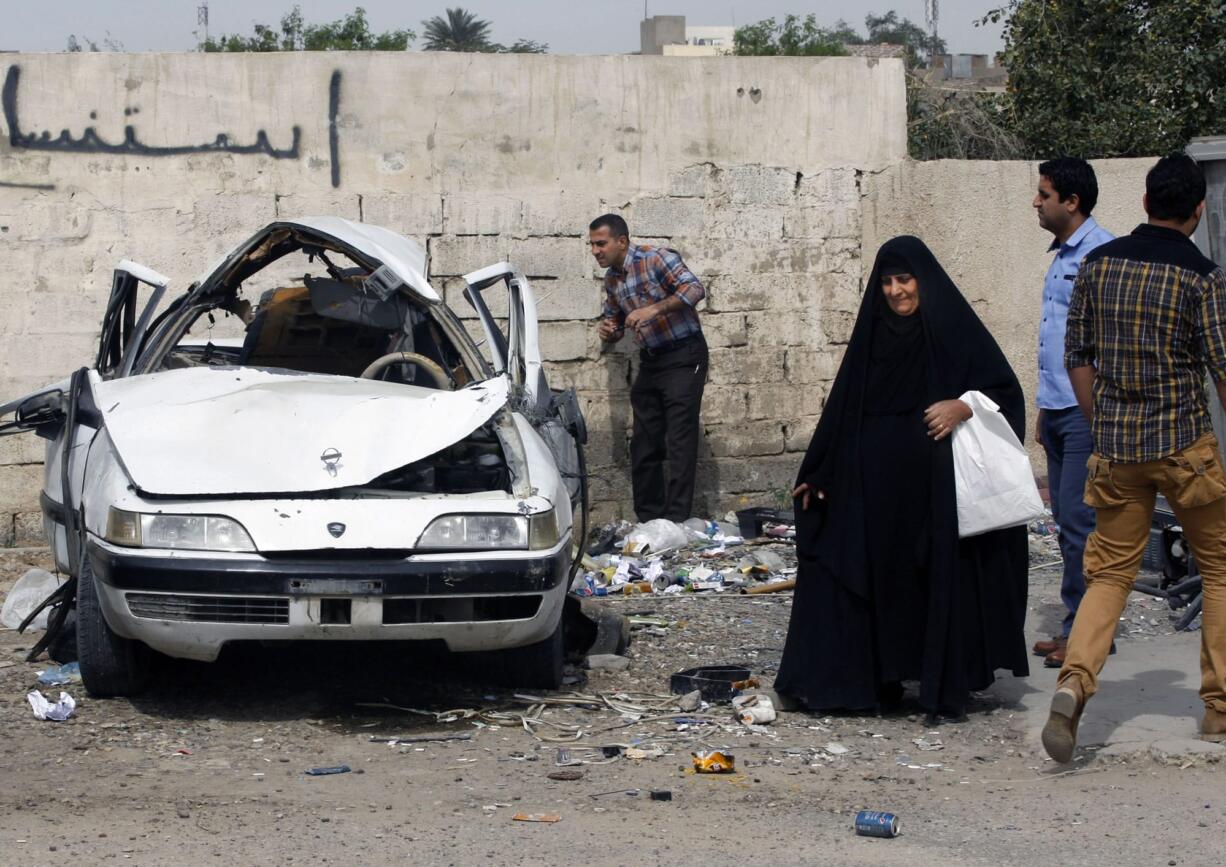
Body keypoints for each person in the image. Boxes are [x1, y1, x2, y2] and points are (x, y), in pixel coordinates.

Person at [774, 236, 1030, 720]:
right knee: (871, 576)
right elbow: (843, 412)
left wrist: (962, 406)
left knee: (932, 579)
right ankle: (880, 679)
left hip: (935, 493)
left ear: (923, 282)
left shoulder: (953, 331)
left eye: (904, 279)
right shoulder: (872, 337)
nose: (895, 292)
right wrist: (820, 470)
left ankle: (939, 681)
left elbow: (1004, 391)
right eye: (887, 282)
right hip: (874, 493)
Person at [1043, 154, 1226, 762]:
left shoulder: (1099, 264)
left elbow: (1078, 356)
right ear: (1197, 213)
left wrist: (1102, 426)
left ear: (1145, 203)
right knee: (1220, 569)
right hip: (1185, 449)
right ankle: (1217, 709)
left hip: (1117, 448)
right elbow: (1223, 372)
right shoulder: (1202, 277)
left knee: (1110, 576)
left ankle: (1073, 685)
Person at [1032, 157, 1115, 669]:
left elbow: (1104, 339)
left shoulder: (1099, 254)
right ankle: (1078, 624)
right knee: (1066, 520)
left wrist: (1096, 413)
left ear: (1071, 202)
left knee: (1080, 523)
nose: (1036, 203)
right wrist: (1045, 411)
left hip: (1087, 411)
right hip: (1059, 409)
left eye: (1044, 194)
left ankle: (1086, 636)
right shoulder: (1061, 254)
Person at [589, 213, 708, 523]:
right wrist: (610, 331)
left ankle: (677, 520)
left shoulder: (656, 259)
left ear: (622, 241)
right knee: (644, 442)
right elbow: (615, 320)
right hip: (652, 360)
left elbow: (694, 289)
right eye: (592, 245)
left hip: (685, 355)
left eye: (601, 244)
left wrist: (653, 309)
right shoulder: (613, 279)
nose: (595, 251)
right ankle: (651, 521)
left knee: (680, 440)